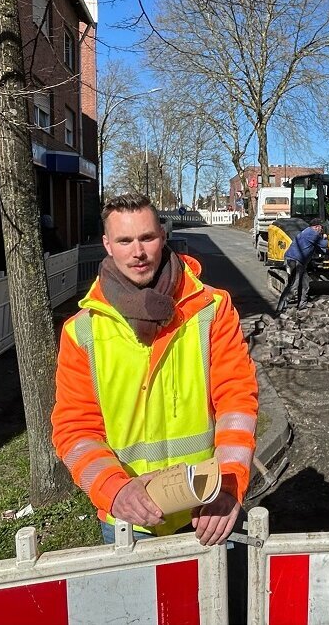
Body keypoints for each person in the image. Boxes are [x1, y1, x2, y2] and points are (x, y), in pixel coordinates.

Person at [52, 193, 258, 546]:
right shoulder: (82, 331)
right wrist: (113, 490)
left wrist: (228, 484)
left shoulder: (210, 309)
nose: (138, 252)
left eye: (147, 237)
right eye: (125, 240)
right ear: (107, 245)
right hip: (131, 519)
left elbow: (236, 403)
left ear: (163, 235)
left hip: (208, 510)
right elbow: (75, 429)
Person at [275, 218, 328, 313]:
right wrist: (325, 237)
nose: (322, 229)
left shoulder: (309, 233)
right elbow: (323, 244)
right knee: (293, 286)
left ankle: (302, 305)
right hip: (294, 261)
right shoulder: (311, 233)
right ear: (316, 227)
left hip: (300, 263)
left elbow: (320, 248)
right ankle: (280, 309)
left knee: (305, 284)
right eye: (321, 227)